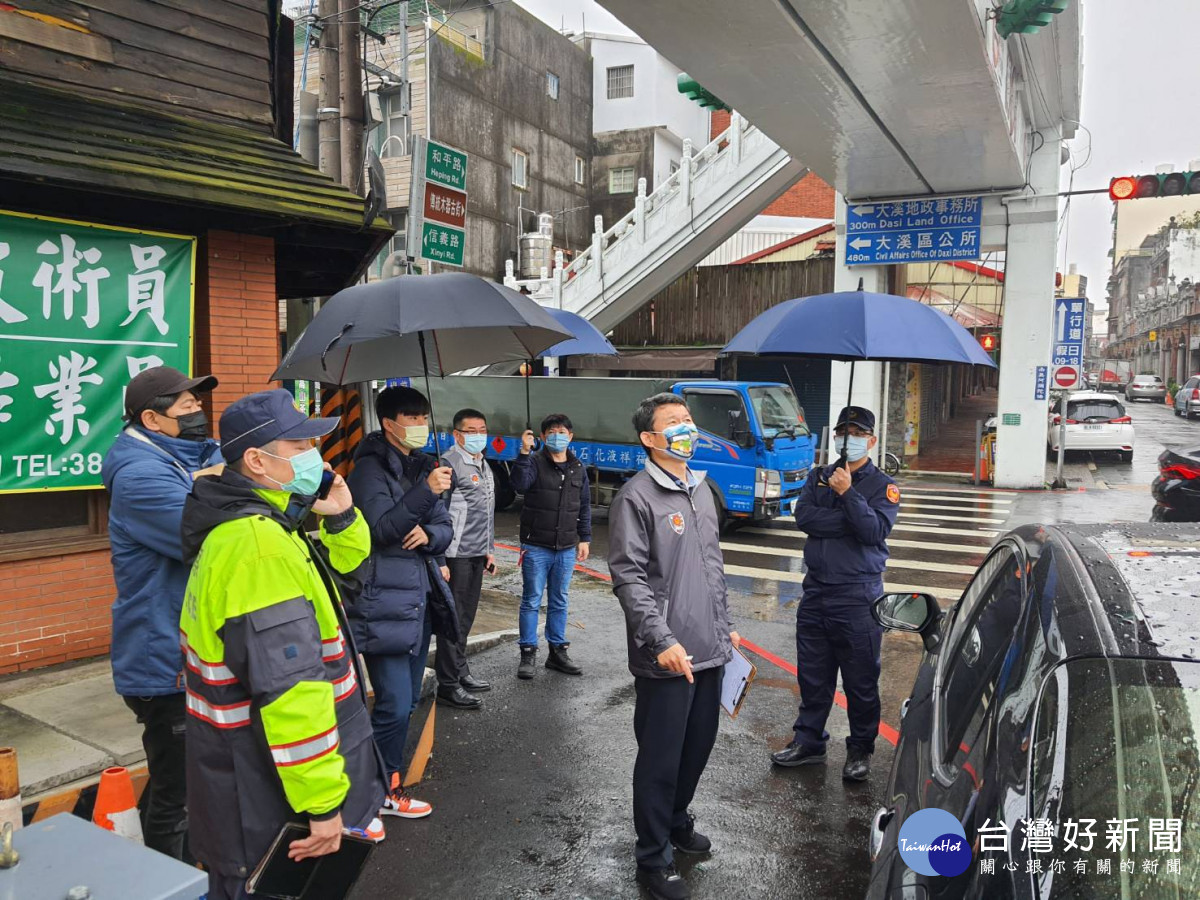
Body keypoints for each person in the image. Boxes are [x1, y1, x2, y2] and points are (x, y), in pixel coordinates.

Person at [178, 389, 387, 900]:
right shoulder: (258, 546)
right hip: (269, 792)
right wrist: (323, 806)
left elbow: (352, 574)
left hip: (251, 777)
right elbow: (292, 691)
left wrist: (339, 514)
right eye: (299, 446)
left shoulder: (267, 523)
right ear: (256, 460)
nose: (317, 457)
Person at [608, 393, 739, 900]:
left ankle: (678, 821)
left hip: (709, 648)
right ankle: (653, 858)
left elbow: (712, 569)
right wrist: (661, 639)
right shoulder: (636, 497)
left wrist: (724, 625)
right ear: (649, 438)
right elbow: (629, 577)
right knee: (660, 760)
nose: (687, 429)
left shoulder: (700, 489)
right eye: (674, 423)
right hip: (667, 656)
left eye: (688, 420)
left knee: (696, 749)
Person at [102, 365, 221, 861]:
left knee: (193, 781)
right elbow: (205, 535)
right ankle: (169, 884)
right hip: (164, 659)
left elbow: (222, 466)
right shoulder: (139, 475)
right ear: (153, 419)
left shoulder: (186, 454)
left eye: (197, 402)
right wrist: (228, 484)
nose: (199, 413)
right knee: (181, 797)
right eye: (187, 406)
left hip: (193, 647)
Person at [345, 386, 459, 820]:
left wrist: (432, 536)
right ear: (389, 424)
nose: (419, 425)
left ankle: (383, 785)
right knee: (392, 702)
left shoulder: (426, 465)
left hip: (419, 600)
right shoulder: (368, 472)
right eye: (411, 418)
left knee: (407, 699)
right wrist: (425, 492)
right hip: (383, 603)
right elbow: (380, 529)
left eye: (423, 417)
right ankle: (370, 793)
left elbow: (444, 528)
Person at [770, 405, 899, 782]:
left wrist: (848, 495)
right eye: (844, 431)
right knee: (813, 676)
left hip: (858, 595)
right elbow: (805, 518)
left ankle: (860, 748)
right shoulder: (819, 476)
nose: (850, 438)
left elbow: (874, 532)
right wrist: (847, 519)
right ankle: (808, 741)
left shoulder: (883, 485)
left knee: (860, 680)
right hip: (816, 592)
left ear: (871, 441)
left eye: (858, 433)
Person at [511, 413, 591, 679]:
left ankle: (557, 651)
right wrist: (523, 452)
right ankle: (528, 652)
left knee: (560, 600)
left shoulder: (577, 467)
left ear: (571, 436)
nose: (558, 436)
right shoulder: (533, 462)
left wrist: (585, 538)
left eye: (563, 431)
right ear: (543, 437)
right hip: (536, 546)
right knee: (531, 599)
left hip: (566, 546)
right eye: (552, 432)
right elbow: (519, 485)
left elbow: (585, 506)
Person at [434, 408, 496, 708]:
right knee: (453, 619)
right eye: (471, 430)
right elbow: (438, 513)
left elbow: (486, 511)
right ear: (457, 434)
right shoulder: (449, 463)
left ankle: (460, 670)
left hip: (475, 553)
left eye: (482, 429)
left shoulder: (483, 463)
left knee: (467, 617)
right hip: (455, 554)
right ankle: (447, 684)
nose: (478, 435)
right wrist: (440, 560)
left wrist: (489, 548)